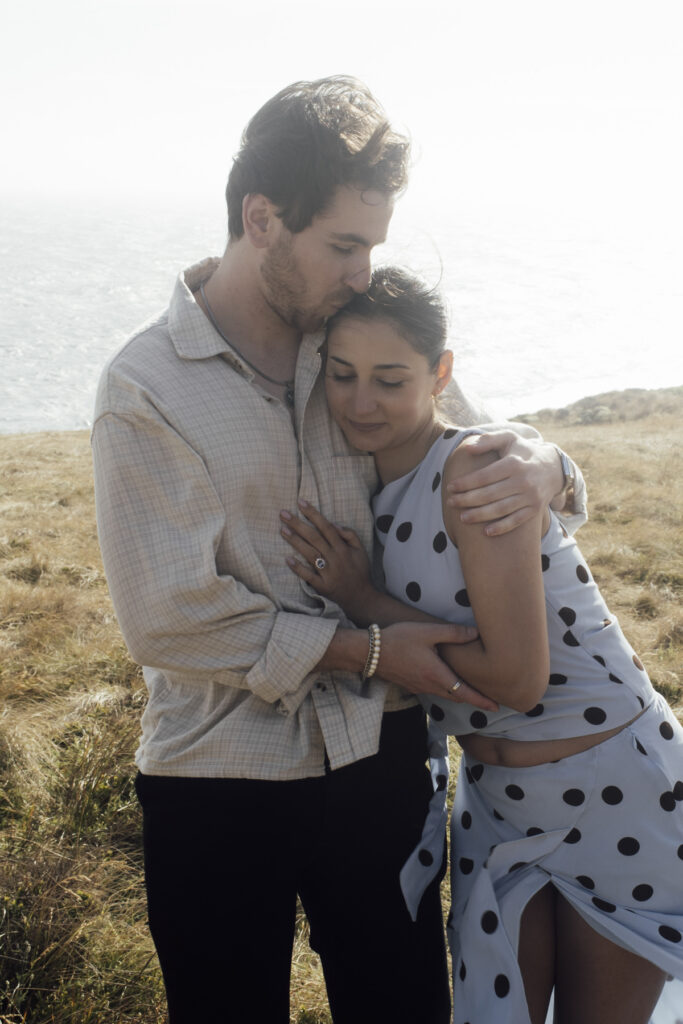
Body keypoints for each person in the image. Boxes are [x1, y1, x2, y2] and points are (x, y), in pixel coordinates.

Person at [91, 78, 584, 1024]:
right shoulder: (143, 387)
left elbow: (483, 457)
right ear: (262, 218)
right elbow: (166, 619)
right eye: (344, 246)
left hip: (384, 761)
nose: (361, 272)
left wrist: (551, 466)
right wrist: (365, 651)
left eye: (374, 247)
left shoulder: (360, 345)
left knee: (402, 1008)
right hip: (216, 778)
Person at [280, 265, 683, 1024]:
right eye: (342, 375)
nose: (361, 403)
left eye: (390, 380)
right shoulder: (361, 481)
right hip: (496, 806)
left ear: (440, 375)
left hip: (610, 792)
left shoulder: (475, 470)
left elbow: (516, 679)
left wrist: (362, 602)